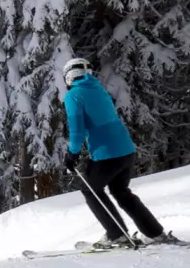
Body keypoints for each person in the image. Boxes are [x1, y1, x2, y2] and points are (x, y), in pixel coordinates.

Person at [62, 58, 176, 247]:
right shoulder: (99, 89)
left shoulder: (74, 95)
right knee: (121, 192)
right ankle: (155, 233)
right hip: (126, 150)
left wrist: (71, 155)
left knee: (91, 190)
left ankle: (117, 235)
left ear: (69, 76)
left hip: (106, 154)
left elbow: (77, 130)